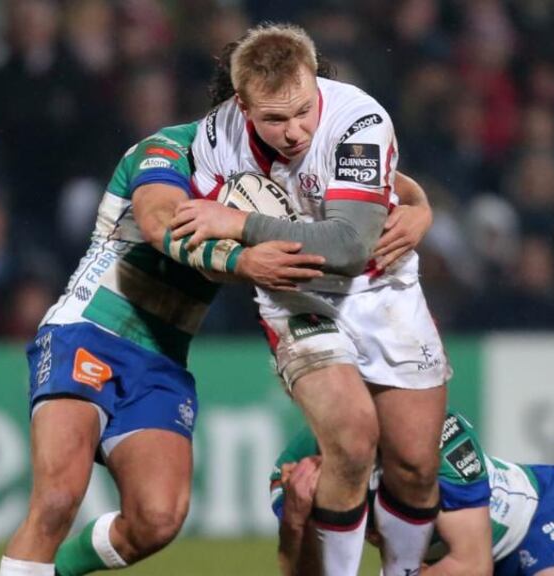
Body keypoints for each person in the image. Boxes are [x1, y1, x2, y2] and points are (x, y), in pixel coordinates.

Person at [0, 120, 433, 574]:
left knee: (156, 520)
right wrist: (243, 260)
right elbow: (159, 221)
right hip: (90, 330)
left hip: (163, 357)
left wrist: (421, 209)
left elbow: (389, 179)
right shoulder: (171, 148)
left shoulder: (289, 163)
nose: (289, 127)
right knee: (58, 498)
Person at [171, 23, 449, 575]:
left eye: (303, 110)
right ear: (244, 105)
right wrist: (236, 259)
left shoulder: (359, 121)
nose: (295, 130)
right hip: (296, 301)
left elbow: (348, 246)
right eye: (275, 119)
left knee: (416, 466)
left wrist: (240, 224)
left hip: (382, 288)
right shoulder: (215, 140)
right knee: (352, 437)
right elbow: (198, 242)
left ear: (315, 80)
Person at [272, 410, 554, 576]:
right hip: (425, 561)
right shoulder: (293, 471)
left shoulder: (439, 433)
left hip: (534, 522)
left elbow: (472, 564)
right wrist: (295, 521)